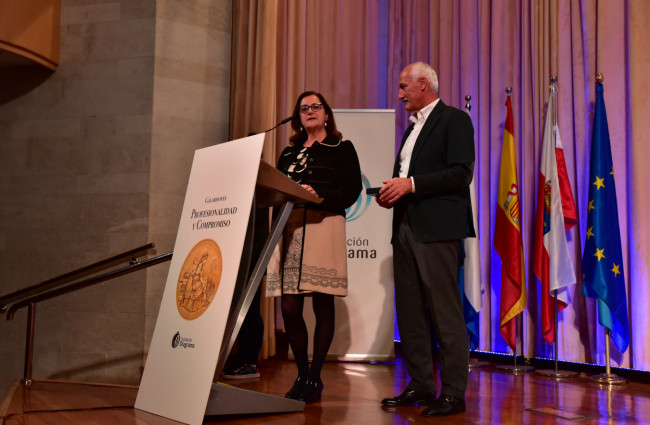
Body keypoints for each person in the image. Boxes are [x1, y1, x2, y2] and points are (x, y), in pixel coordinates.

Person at [376, 62, 475, 417]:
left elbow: (461, 173)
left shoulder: (454, 120)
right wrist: (390, 189)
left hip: (437, 231)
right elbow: (406, 176)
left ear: (423, 84)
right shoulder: (411, 130)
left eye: (404, 87)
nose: (400, 94)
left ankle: (452, 392)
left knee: (445, 313)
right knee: (411, 312)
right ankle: (420, 384)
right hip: (404, 227)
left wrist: (411, 184)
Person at [266, 91, 362, 403]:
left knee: (322, 304)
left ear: (327, 113)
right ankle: (303, 373)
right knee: (290, 307)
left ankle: (315, 377)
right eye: (304, 108)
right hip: (290, 227)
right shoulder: (288, 152)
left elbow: (352, 189)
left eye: (316, 106)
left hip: (324, 224)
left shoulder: (342, 148)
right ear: (298, 117)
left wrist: (318, 195)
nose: (310, 111)